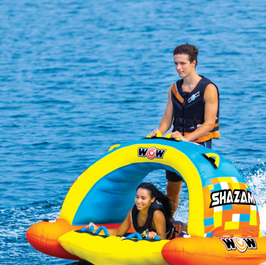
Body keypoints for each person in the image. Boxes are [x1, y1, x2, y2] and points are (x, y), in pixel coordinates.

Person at [149, 43, 220, 217]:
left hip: (199, 145)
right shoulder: (174, 88)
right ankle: (168, 222)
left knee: (199, 187)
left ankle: (205, 223)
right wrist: (159, 132)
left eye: (183, 63)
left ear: (193, 63)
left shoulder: (208, 88)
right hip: (177, 144)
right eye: (176, 63)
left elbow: (209, 124)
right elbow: (168, 118)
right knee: (172, 189)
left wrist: (187, 138)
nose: (178, 68)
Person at [86, 183, 185, 240]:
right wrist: (96, 229)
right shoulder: (133, 212)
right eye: (137, 197)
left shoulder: (156, 213)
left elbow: (163, 237)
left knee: (188, 227)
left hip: (177, 231)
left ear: (152, 199)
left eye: (143, 198)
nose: (138, 201)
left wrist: (155, 236)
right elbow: (119, 231)